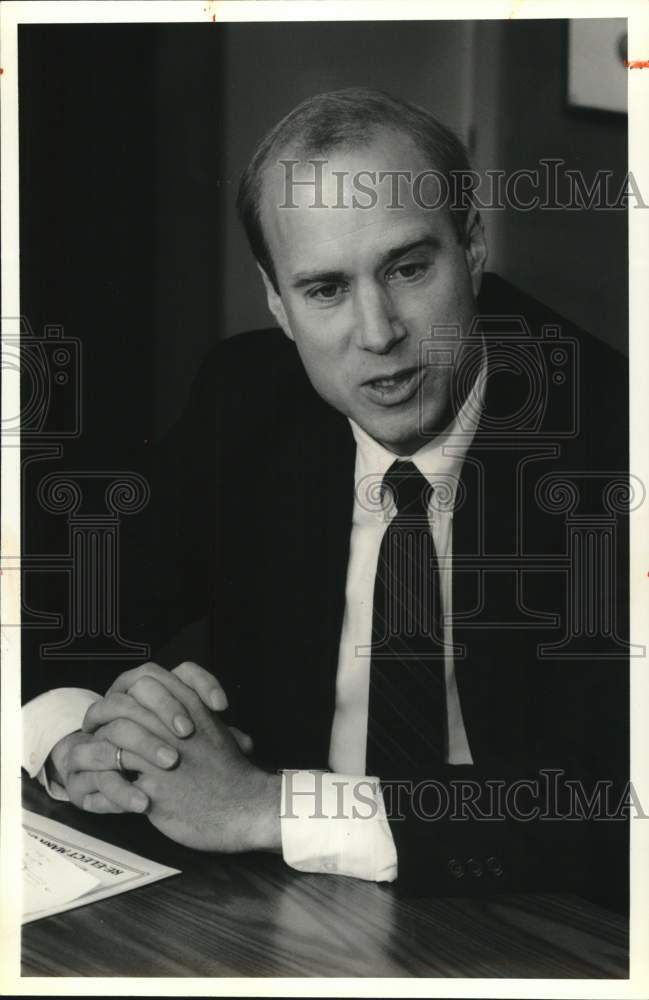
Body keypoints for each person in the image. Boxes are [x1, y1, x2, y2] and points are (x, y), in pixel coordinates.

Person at [22, 89, 629, 906]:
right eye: (324, 290)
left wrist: (268, 809)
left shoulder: (613, 436)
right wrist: (70, 737)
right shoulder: (247, 398)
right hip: (279, 908)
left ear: (474, 247)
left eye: (408, 268)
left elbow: (607, 803)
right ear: (277, 300)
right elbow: (58, 609)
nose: (377, 333)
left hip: (534, 924)